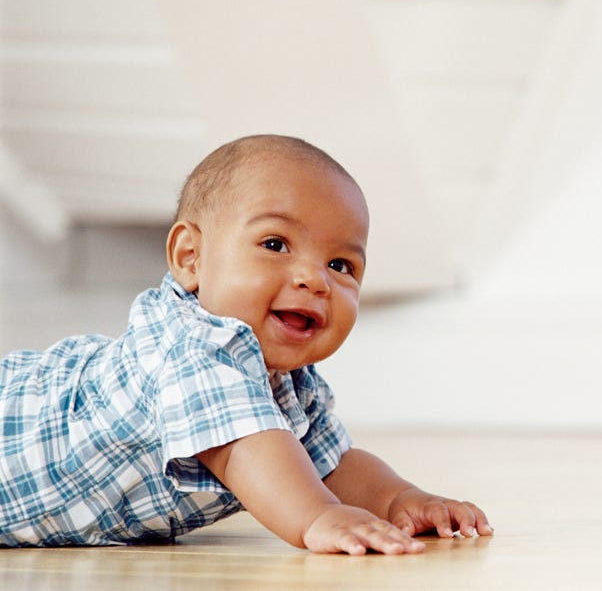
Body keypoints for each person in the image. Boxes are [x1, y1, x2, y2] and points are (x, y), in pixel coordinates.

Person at [0, 134, 493, 554]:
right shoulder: (195, 348)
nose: (315, 280)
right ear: (191, 258)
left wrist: (400, 499)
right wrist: (318, 517)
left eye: (341, 266)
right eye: (275, 245)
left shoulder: (289, 384)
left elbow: (332, 465)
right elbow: (245, 449)